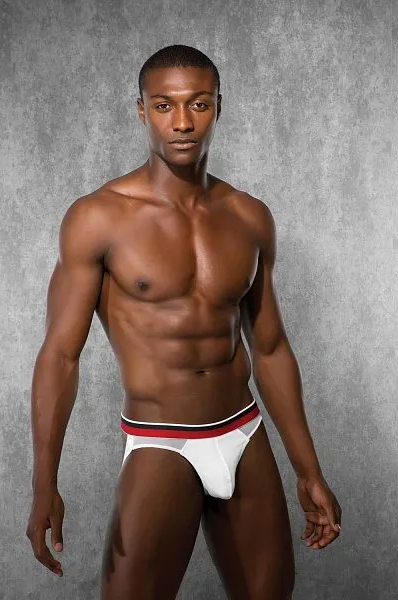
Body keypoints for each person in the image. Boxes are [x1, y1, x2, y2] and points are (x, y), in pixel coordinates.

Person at [26, 44, 342, 600]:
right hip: (160, 442)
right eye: (163, 105)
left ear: (218, 106)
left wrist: (308, 469)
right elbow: (60, 355)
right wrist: (43, 481)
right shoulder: (98, 217)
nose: (182, 123)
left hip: (243, 432)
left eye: (198, 104)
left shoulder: (249, 216)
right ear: (141, 110)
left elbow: (270, 349)